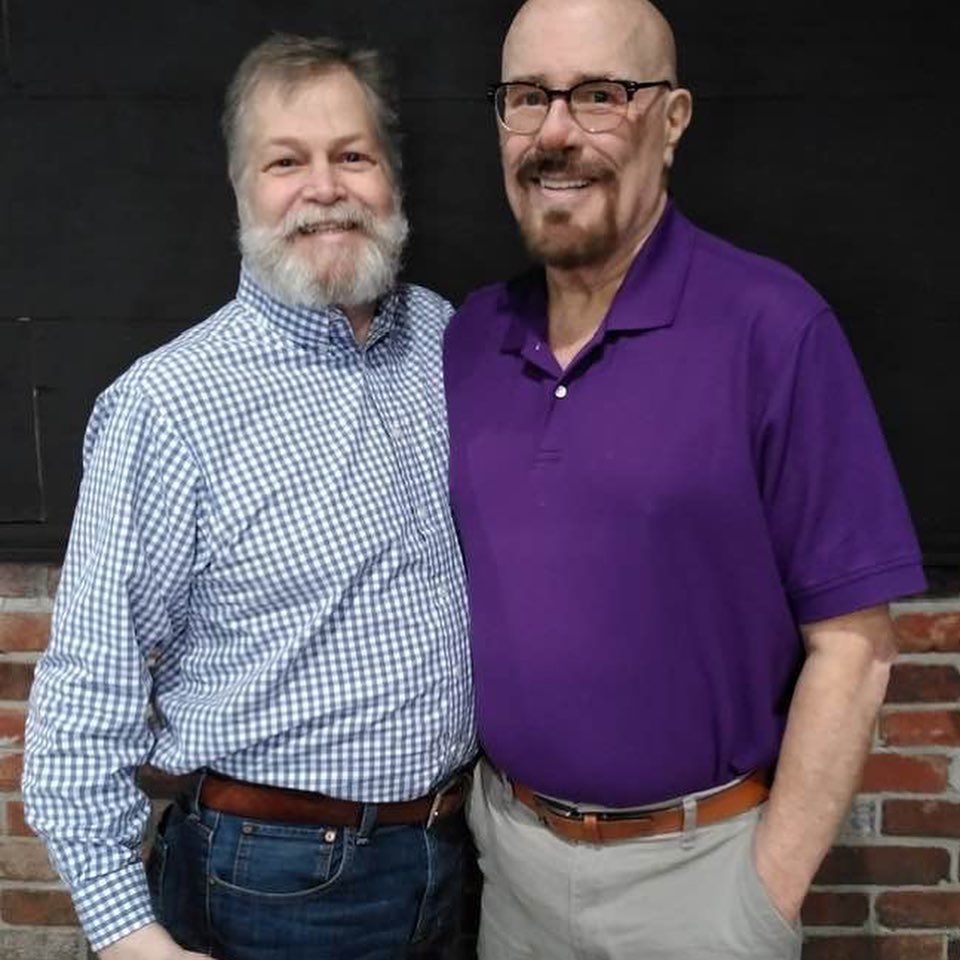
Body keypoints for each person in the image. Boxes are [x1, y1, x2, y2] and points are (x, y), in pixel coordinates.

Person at [443, 0, 925, 957]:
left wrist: (762, 897)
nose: (554, 133)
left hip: (702, 885)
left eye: (599, 95)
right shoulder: (471, 339)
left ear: (672, 120)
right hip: (512, 876)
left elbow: (856, 648)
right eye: (528, 96)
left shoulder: (771, 327)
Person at [24, 34, 475, 960]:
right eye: (286, 162)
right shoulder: (167, 405)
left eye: (353, 155)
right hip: (273, 880)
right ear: (240, 189)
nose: (325, 188)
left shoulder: (447, 340)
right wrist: (129, 937)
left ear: (392, 178)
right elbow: (88, 687)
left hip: (457, 857)